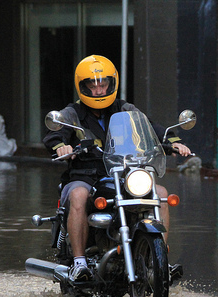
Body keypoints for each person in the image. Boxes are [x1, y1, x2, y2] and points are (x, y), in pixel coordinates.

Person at [43, 55, 191, 283]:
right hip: (85, 176)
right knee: (78, 194)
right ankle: (80, 263)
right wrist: (62, 146)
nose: (99, 90)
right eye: (93, 85)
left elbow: (151, 128)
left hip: (122, 175)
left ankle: (158, 261)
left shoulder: (125, 109)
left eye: (103, 84)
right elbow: (56, 133)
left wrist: (172, 142)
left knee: (160, 194)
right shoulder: (72, 113)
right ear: (83, 86)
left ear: (112, 83)